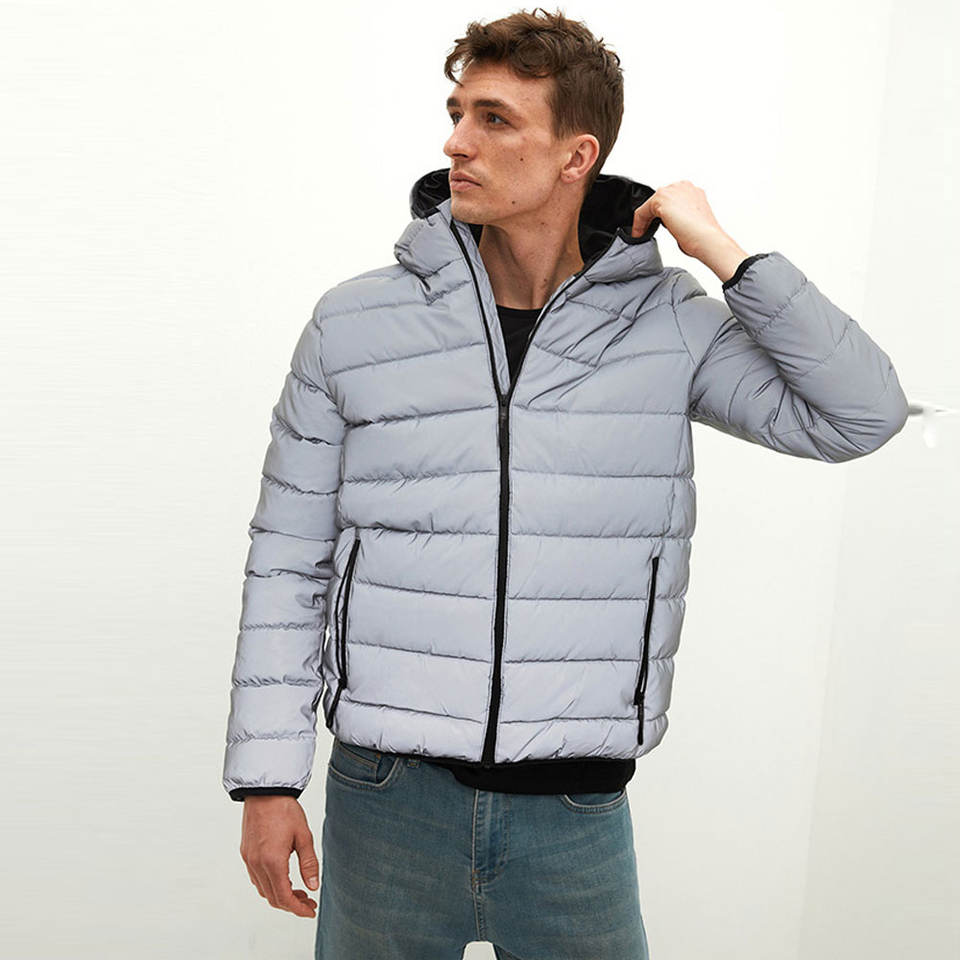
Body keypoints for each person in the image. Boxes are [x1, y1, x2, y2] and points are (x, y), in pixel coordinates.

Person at [222, 9, 909, 959]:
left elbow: (861, 414)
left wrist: (723, 250)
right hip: (386, 800)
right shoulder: (354, 323)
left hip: (575, 812)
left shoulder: (668, 324)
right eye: (457, 113)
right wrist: (267, 780)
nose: (457, 143)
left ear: (576, 155)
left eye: (495, 120)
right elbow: (287, 558)